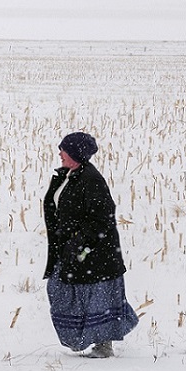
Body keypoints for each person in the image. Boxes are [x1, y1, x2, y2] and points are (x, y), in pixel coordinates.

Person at [43, 131, 138, 357]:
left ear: (76, 154)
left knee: (97, 297)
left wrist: (79, 243)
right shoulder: (68, 175)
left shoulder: (91, 180)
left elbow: (102, 219)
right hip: (71, 248)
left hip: (95, 253)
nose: (59, 153)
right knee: (61, 291)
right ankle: (78, 338)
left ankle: (102, 344)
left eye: (63, 150)